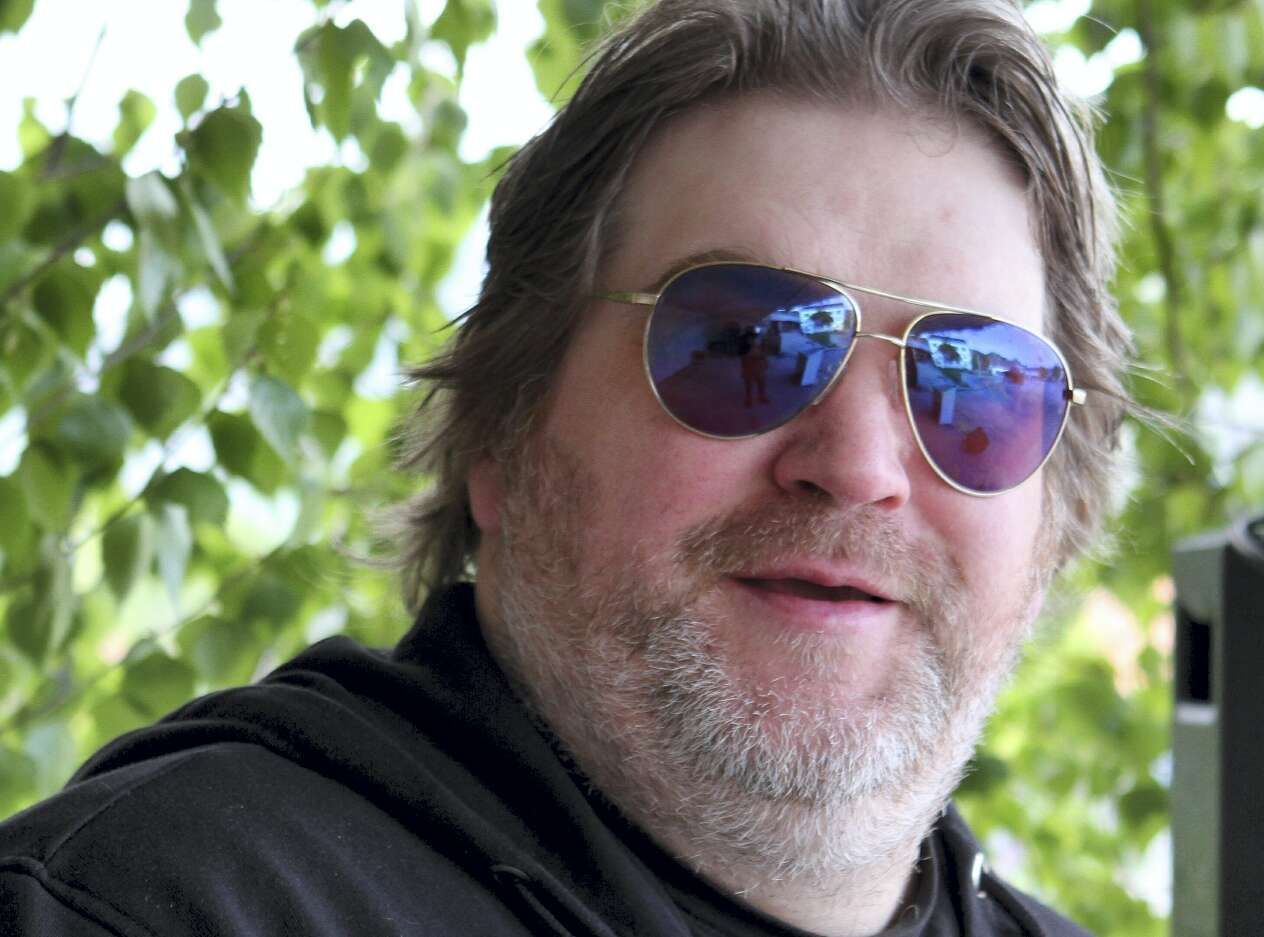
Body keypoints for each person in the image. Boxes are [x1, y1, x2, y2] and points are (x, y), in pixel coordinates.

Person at [0, 0, 1131, 934]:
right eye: (741, 342)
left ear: (1054, 515)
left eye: (977, 387)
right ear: (504, 424)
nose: (857, 465)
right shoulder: (146, 905)